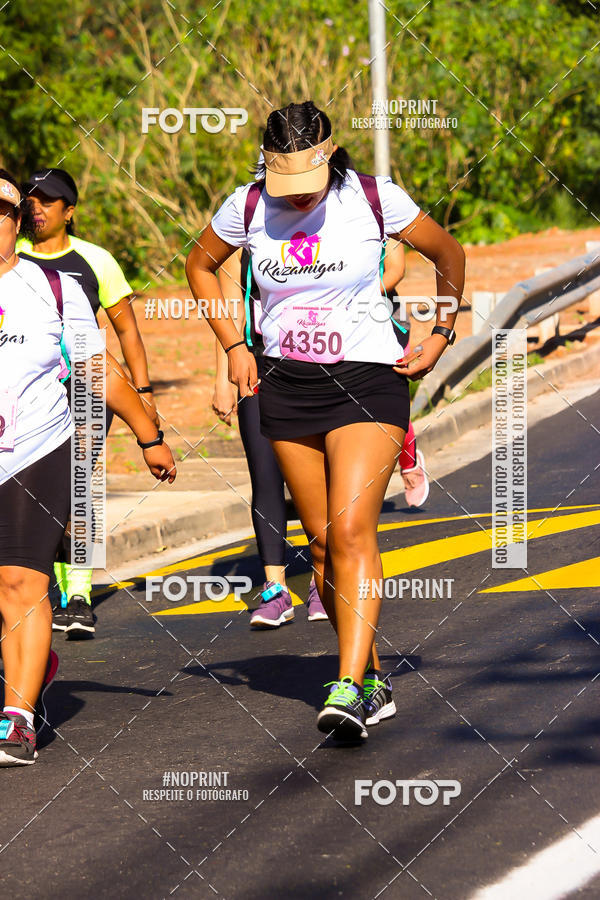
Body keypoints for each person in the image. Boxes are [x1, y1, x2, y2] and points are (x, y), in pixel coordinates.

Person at [186, 101, 464, 742]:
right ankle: (368, 677)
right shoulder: (249, 205)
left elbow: (448, 253)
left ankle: (344, 687)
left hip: (367, 380)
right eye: (285, 184)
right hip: (286, 384)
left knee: (349, 530)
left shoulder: (372, 198)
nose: (298, 199)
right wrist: (234, 346)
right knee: (320, 546)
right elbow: (199, 266)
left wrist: (441, 332)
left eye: (306, 185)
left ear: (330, 154)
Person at [0, 170, 176, 766]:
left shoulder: (50, 288)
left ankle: (18, 717)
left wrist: (148, 433)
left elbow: (97, 369)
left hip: (36, 450)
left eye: (2, 207)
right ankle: (34, 665)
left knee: (20, 584)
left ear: (18, 219)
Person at [17, 167, 159, 637]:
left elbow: (128, 332)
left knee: (79, 487)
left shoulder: (95, 260)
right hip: (25, 402)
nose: (36, 208)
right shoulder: (9, 259)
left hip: (83, 393)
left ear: (70, 211)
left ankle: (77, 594)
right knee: (40, 500)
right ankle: (48, 588)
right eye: (30, 200)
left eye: (48, 201)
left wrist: (143, 393)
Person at [213, 248, 327, 626]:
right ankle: (275, 588)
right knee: (265, 476)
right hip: (258, 366)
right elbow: (229, 314)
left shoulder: (323, 232)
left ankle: (323, 582)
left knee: (320, 479)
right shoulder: (243, 245)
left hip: (318, 366)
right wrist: (221, 378)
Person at [381, 240, 430, 508]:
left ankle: (409, 462)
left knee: (390, 399)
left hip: (385, 315)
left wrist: (353, 299)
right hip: (329, 319)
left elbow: (396, 270)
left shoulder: (377, 206)